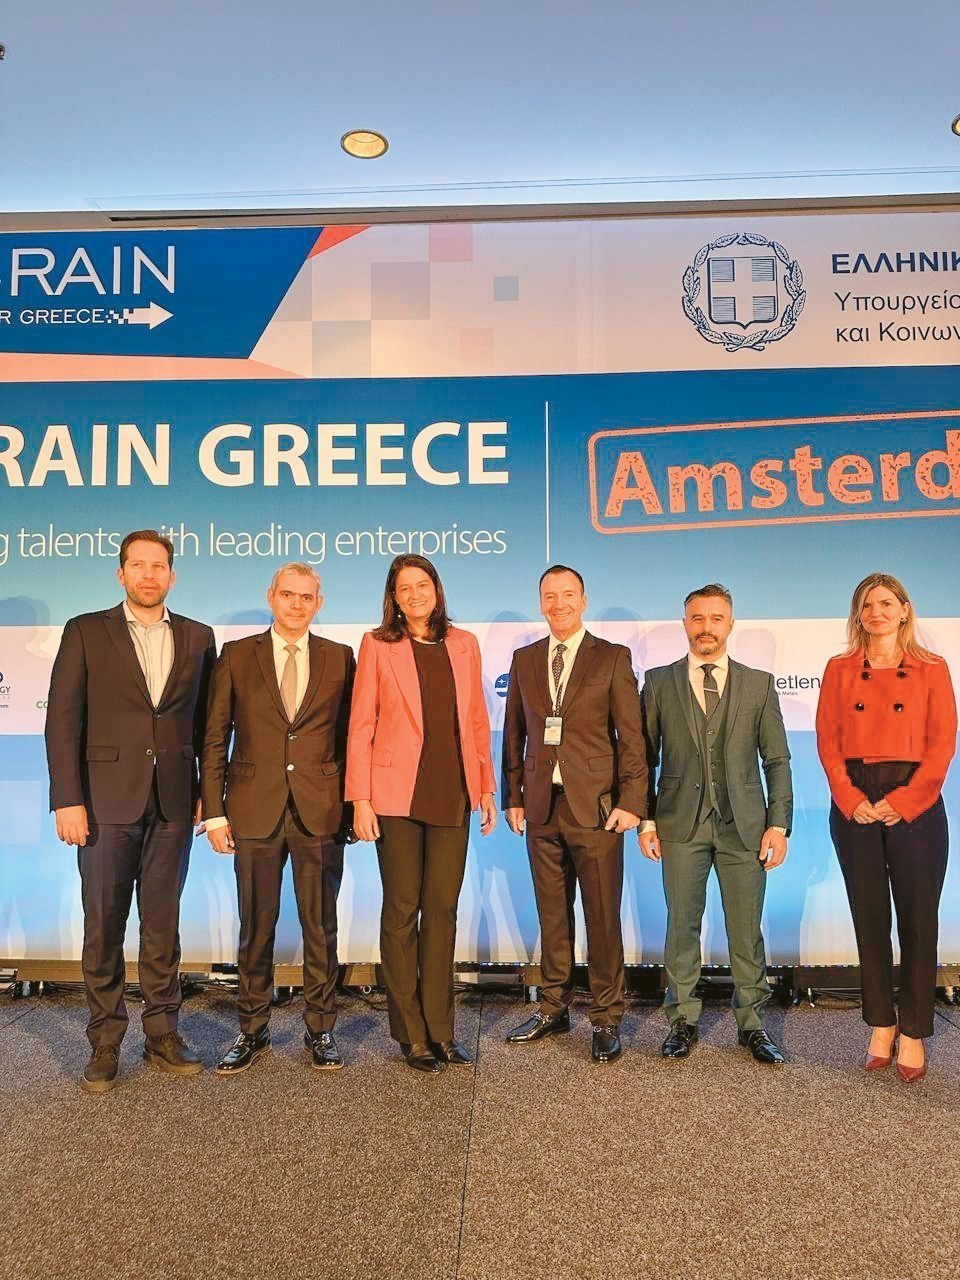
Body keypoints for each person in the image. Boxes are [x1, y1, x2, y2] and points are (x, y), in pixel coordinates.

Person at [45, 529, 216, 1093]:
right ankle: (105, 1041)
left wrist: (206, 794)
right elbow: (62, 720)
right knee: (104, 925)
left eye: (158, 565)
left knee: (162, 925)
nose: (148, 574)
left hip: (173, 803)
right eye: (137, 565)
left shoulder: (198, 637)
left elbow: (206, 725)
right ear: (121, 574)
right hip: (102, 803)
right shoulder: (86, 631)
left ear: (172, 575)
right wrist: (67, 799)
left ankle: (163, 1033)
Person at [345, 554, 497, 1074]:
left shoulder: (464, 643)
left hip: (452, 791)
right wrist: (360, 798)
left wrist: (486, 787)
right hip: (395, 796)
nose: (415, 594)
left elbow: (476, 720)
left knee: (442, 912)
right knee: (401, 911)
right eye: (404, 587)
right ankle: (411, 1034)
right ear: (393, 597)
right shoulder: (377, 644)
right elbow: (361, 724)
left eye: (422, 584)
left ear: (436, 589)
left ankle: (441, 1030)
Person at [202, 563, 355, 1075]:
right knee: (256, 925)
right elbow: (214, 737)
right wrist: (215, 811)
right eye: (288, 594)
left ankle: (321, 1029)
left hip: (321, 811)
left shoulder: (340, 657)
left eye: (306, 597)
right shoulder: (236, 655)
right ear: (271, 596)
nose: (296, 604)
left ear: (319, 603)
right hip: (252, 809)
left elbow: (351, 739)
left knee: (321, 926)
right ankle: (252, 1028)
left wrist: (352, 806)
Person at [639, 584, 792, 1065]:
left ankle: (752, 1025)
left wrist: (778, 824)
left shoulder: (759, 684)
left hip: (744, 826)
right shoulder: (658, 682)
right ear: (686, 623)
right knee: (681, 926)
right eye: (698, 618)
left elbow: (777, 760)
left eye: (716, 618)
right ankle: (682, 1020)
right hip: (678, 824)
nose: (706, 627)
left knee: (745, 930)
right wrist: (645, 819)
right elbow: (643, 759)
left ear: (730, 623)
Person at [501, 564, 647, 1064]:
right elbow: (514, 733)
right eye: (549, 595)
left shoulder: (612, 657)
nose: (558, 603)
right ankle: (553, 1007)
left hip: (598, 808)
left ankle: (606, 1016)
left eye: (568, 594)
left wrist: (632, 802)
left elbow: (632, 737)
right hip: (542, 807)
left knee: (602, 917)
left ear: (583, 601)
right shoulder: (524, 660)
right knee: (552, 914)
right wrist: (514, 796)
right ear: (540, 602)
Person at [816, 572, 956, 1082]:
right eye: (867, 605)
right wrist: (850, 798)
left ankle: (914, 1029)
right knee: (869, 917)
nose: (876, 612)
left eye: (886, 603)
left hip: (915, 799)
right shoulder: (838, 668)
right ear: (858, 614)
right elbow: (828, 739)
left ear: (904, 610)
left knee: (919, 920)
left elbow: (943, 742)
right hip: (855, 799)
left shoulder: (931, 668)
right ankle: (881, 1022)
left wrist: (907, 800)